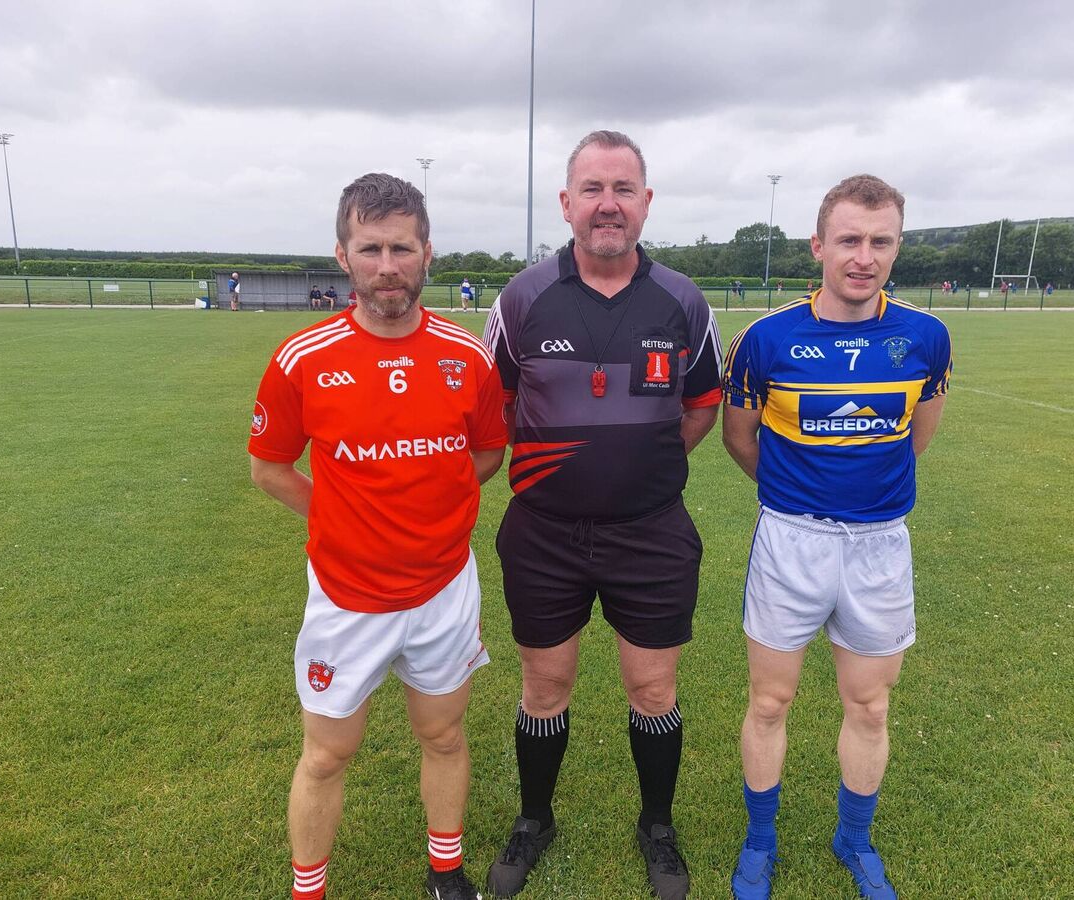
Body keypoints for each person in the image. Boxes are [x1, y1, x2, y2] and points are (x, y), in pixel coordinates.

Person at [248, 172, 507, 900]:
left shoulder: (468, 356)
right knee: (328, 754)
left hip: (442, 588)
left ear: (428, 253)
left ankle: (446, 870)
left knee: (445, 735)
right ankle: (309, 888)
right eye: (370, 249)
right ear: (343, 256)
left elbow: (486, 454)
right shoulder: (304, 359)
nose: (387, 265)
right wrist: (342, 514)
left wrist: (430, 507)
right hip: (346, 594)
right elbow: (269, 469)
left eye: (401, 247)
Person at [481, 130, 722, 900]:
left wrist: (636, 473)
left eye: (623, 189)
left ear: (646, 202)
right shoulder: (521, 298)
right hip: (544, 533)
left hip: (651, 532)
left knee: (653, 689)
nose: (607, 204)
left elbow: (701, 404)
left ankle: (657, 827)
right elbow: (501, 404)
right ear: (567, 203)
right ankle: (534, 819)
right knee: (543, 686)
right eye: (592, 189)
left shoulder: (682, 300)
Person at [722, 174, 952, 900]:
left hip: (880, 543)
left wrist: (860, 490)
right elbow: (740, 440)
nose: (864, 256)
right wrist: (803, 493)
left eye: (880, 241)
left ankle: (853, 838)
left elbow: (915, 439)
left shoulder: (925, 336)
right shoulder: (766, 339)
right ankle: (761, 841)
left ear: (896, 249)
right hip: (791, 540)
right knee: (769, 702)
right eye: (849, 239)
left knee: (871, 705)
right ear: (819, 245)